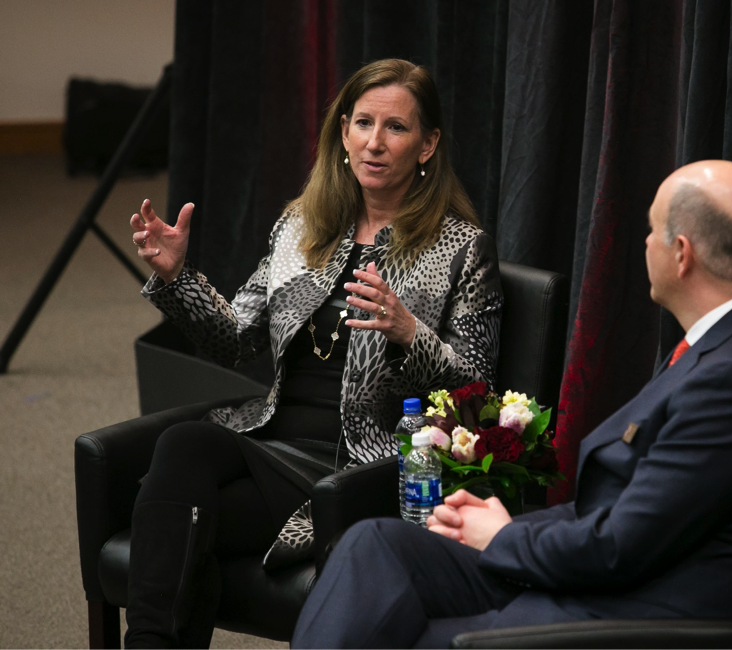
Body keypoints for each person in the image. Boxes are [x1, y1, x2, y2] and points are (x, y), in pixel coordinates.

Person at [290, 160, 732, 649]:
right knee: (376, 544)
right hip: (584, 581)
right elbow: (628, 509)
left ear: (681, 254)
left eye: (650, 230)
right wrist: (505, 529)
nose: (644, 245)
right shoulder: (725, 345)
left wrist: (501, 538)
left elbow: (619, 547)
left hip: (615, 615)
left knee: (397, 633)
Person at [123, 59, 502, 649]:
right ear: (342, 134)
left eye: (396, 128)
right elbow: (236, 338)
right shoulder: (303, 225)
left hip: (362, 462)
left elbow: (476, 391)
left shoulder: (459, 248)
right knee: (185, 455)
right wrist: (178, 280)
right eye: (362, 123)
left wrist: (408, 331)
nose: (375, 143)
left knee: (182, 517)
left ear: (427, 145)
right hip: (271, 444)